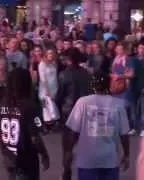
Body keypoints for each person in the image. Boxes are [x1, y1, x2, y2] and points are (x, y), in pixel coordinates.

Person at [66, 72, 130, 180]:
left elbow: (72, 131)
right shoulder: (118, 104)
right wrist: (127, 154)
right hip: (109, 159)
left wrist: (68, 152)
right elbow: (124, 134)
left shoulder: (83, 102)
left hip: (86, 159)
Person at [0, 68, 49, 180]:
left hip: (9, 156)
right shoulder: (29, 105)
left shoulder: (2, 103)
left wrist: (4, 151)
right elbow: (35, 137)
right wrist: (44, 155)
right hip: (26, 158)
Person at [56, 47, 90, 180]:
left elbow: (60, 96)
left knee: (67, 147)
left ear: (68, 59)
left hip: (68, 112)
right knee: (84, 144)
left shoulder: (64, 74)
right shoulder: (86, 74)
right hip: (84, 111)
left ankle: (66, 172)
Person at [129, 43, 144, 137]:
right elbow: (130, 71)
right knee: (133, 109)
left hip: (143, 87)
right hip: (133, 87)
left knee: (143, 109)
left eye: (143, 48)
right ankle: (134, 128)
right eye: (140, 48)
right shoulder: (133, 59)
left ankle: (143, 129)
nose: (141, 50)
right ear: (137, 49)